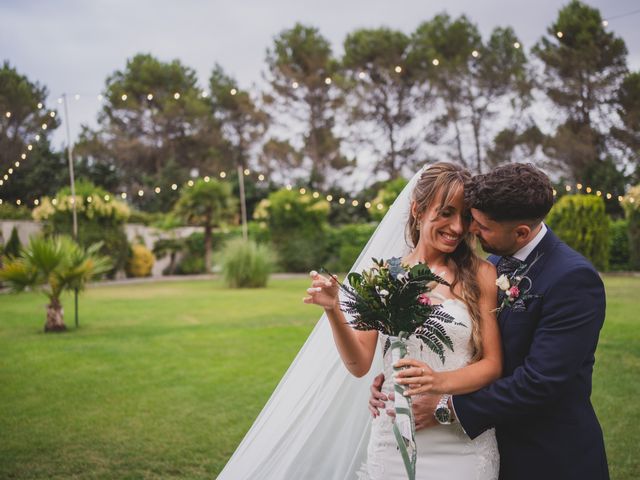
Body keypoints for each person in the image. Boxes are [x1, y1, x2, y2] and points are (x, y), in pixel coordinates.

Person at [369, 163, 609, 479]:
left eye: (480, 225)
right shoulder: (490, 263)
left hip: (546, 454)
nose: (469, 230)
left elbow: (541, 382)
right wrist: (395, 383)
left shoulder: (573, 278)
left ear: (521, 231)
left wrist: (446, 408)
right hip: (489, 444)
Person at [304, 162, 502, 479]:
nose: (457, 227)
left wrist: (439, 390)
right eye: (446, 212)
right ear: (417, 209)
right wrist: (333, 311)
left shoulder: (481, 274)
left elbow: (492, 364)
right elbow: (359, 365)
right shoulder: (382, 278)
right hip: (394, 439)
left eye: (465, 216)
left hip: (462, 442)